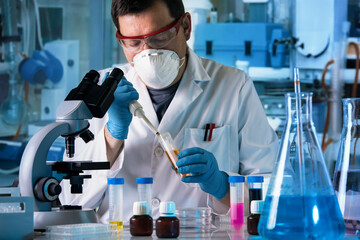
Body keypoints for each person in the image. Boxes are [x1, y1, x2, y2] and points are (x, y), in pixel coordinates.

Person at [59, 0, 278, 224]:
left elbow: (273, 193)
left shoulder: (233, 87)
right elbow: (69, 201)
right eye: (133, 43)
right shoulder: (101, 91)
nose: (147, 53)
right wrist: (112, 136)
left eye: (159, 38)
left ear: (185, 26)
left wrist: (222, 185)